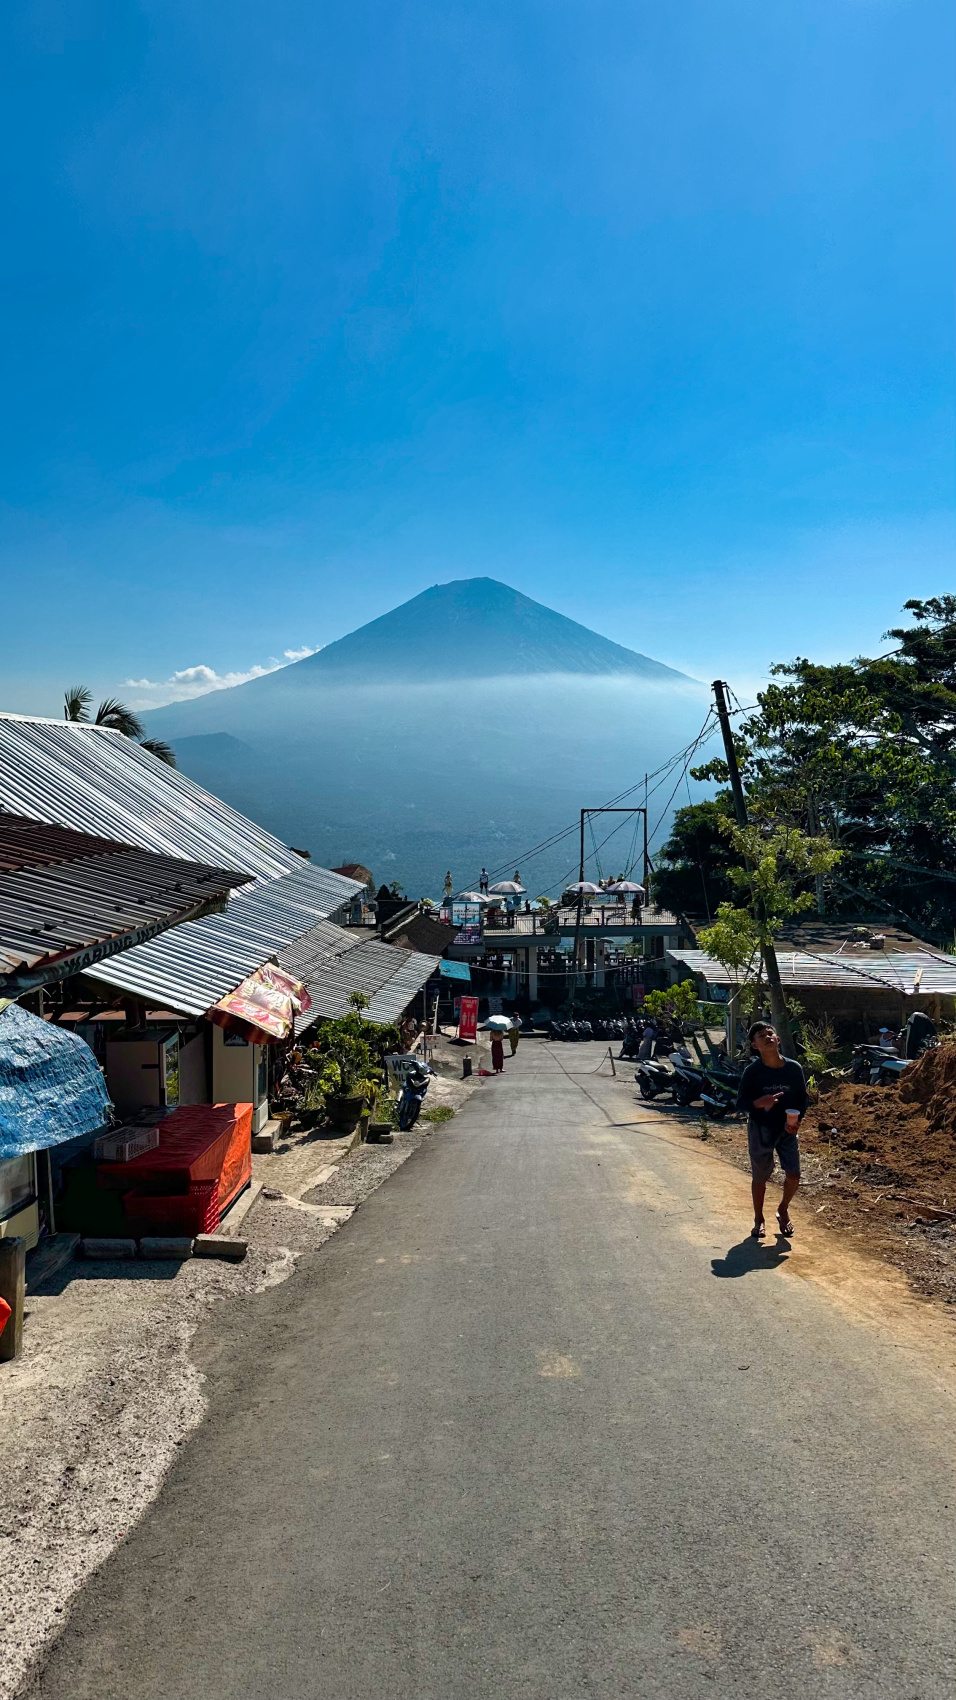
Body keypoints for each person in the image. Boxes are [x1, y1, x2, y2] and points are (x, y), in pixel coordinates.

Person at [736, 1021, 807, 1240]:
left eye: (770, 1033)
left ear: (777, 1040)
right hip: (761, 1129)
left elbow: (803, 1100)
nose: (767, 1036)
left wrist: (796, 1121)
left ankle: (783, 1209)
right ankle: (759, 1219)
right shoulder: (752, 1072)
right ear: (755, 1045)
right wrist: (760, 1102)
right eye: (760, 1035)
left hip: (787, 1129)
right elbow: (740, 1103)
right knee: (760, 1176)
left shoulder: (794, 1069)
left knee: (794, 1174)